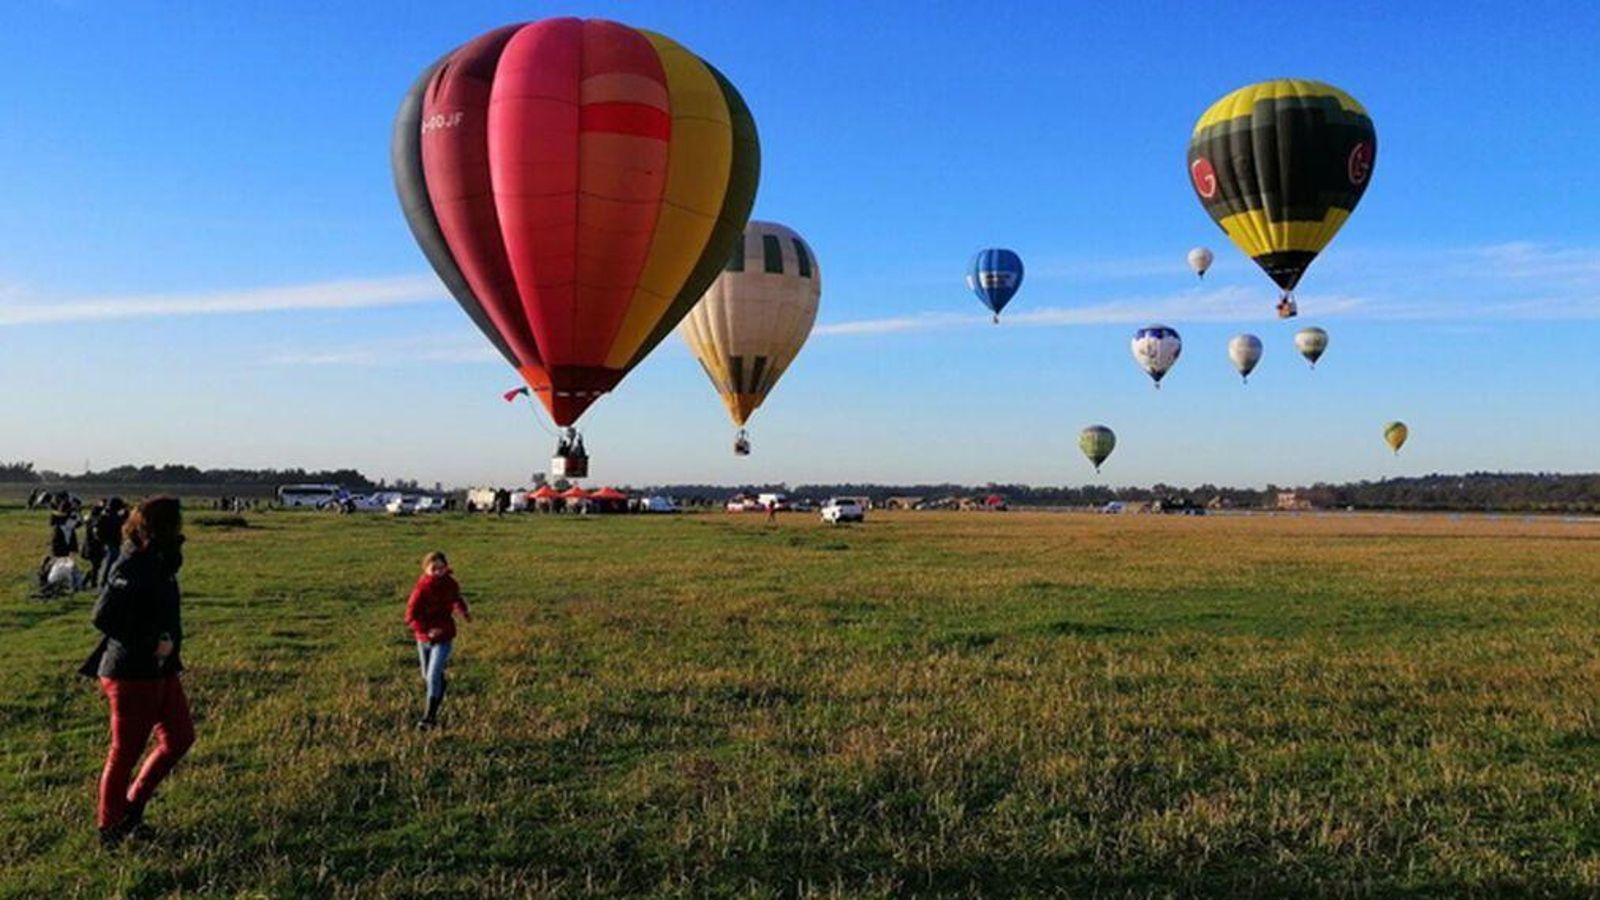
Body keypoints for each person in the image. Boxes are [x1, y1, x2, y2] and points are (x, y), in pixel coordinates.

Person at [78, 497, 193, 848]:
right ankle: (110, 827)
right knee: (123, 753)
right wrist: (149, 643)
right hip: (130, 673)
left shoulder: (160, 559)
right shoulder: (132, 563)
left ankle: (131, 809)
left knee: (180, 737)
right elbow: (103, 617)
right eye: (177, 522)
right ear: (160, 526)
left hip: (160, 670)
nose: (182, 529)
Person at [405, 552, 471, 729]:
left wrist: (462, 610)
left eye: (441, 568)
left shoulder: (450, 584)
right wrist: (426, 631)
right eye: (434, 569)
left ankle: (429, 718)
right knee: (427, 676)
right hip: (423, 638)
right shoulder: (421, 590)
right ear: (426, 570)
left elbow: (456, 598)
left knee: (433, 675)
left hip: (444, 636)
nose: (438, 572)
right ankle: (440, 685)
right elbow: (410, 616)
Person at [95, 498, 128, 588]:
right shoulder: (113, 517)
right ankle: (104, 583)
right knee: (110, 564)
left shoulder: (105, 515)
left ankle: (103, 582)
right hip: (112, 543)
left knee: (107, 564)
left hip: (108, 543)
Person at [84, 502, 107, 589]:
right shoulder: (95, 522)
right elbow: (96, 535)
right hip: (95, 547)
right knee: (96, 566)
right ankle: (92, 583)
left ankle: (89, 580)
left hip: (90, 546)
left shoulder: (89, 520)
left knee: (96, 566)